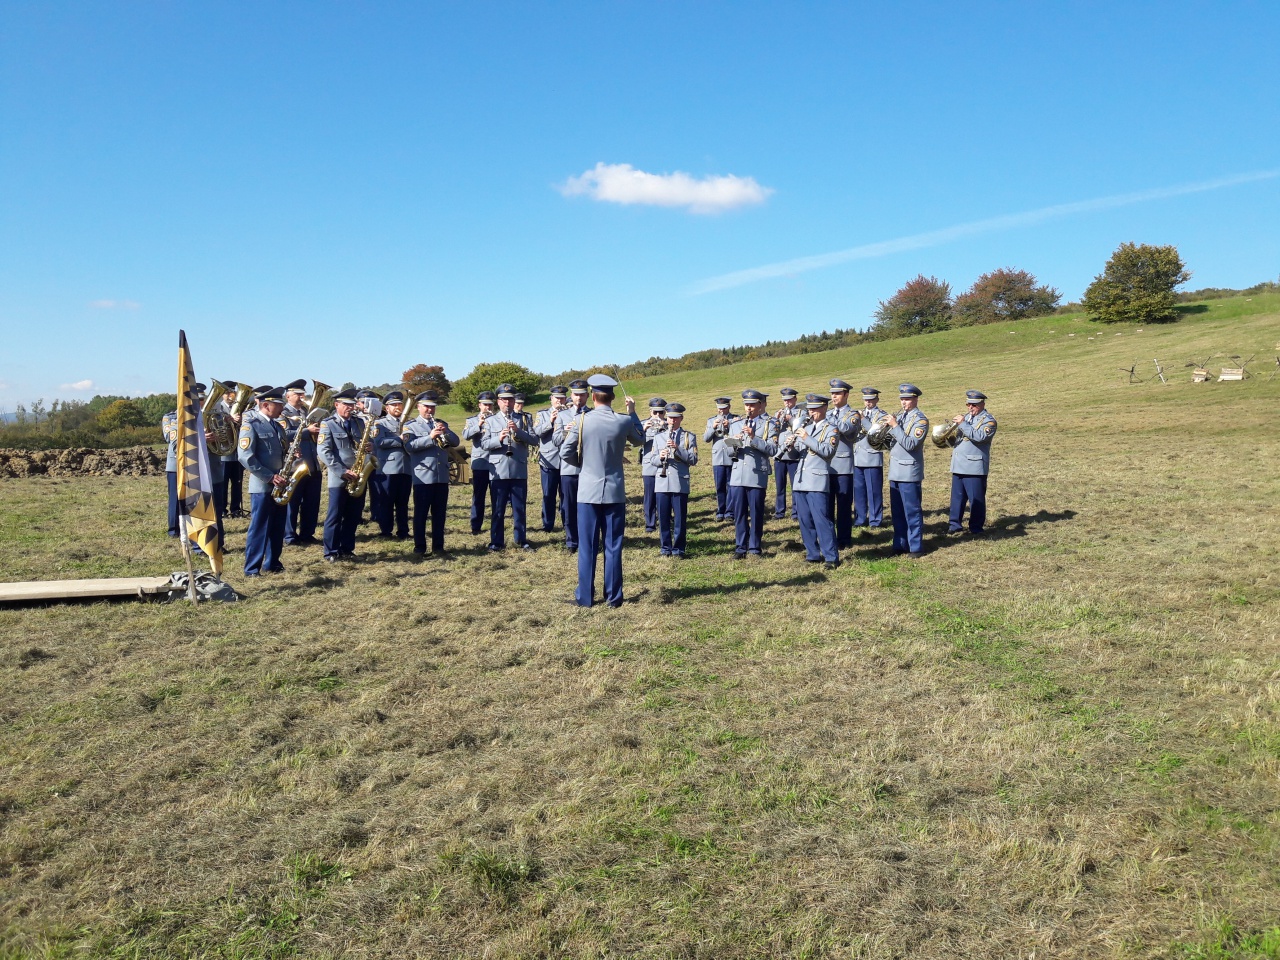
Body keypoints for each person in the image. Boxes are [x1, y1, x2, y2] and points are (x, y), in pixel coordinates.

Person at [562, 374, 643, 607]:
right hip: (614, 491)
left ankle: (585, 597)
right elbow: (640, 440)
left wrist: (584, 465)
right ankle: (613, 597)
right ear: (613, 397)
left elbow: (566, 453)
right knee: (613, 546)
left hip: (588, 491)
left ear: (593, 396)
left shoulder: (582, 420)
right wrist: (632, 412)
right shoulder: (623, 421)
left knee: (587, 546)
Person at [237, 385, 289, 577]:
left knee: (277, 526)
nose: (282, 407)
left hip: (280, 485)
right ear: (266, 405)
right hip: (262, 485)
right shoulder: (251, 425)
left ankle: (272, 563)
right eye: (279, 404)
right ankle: (252, 568)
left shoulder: (277, 426)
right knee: (260, 527)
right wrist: (269, 476)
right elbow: (245, 456)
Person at [481, 383, 538, 551]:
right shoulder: (490, 421)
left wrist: (518, 431)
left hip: (518, 469)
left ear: (514, 401)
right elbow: (484, 444)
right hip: (498, 472)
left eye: (510, 400)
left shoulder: (524, 419)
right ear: (498, 401)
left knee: (519, 508)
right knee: (498, 509)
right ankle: (496, 542)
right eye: (504, 400)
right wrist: (498, 438)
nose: (507, 403)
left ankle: (521, 540)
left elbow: (534, 440)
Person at [403, 391, 459, 555]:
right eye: (426, 407)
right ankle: (420, 547)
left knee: (439, 514)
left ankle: (438, 546)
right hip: (423, 477)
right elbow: (409, 447)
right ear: (419, 407)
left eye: (432, 407)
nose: (430, 410)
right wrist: (430, 437)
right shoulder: (410, 426)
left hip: (441, 475)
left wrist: (445, 431)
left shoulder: (441, 423)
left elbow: (455, 442)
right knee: (421, 514)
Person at [789, 393, 839, 569]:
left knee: (821, 520)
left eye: (815, 409)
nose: (811, 412)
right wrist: (790, 447)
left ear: (824, 408)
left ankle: (831, 557)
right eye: (809, 409)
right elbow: (796, 454)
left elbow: (827, 451)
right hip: (801, 480)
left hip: (817, 480)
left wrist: (806, 438)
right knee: (804, 519)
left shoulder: (831, 429)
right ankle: (812, 553)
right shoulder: (806, 428)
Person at [727, 389, 778, 558]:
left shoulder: (770, 424)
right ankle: (740, 547)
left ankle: (755, 547)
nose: (748, 408)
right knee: (739, 513)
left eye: (752, 405)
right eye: (746, 405)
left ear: (760, 405)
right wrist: (734, 443)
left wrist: (754, 437)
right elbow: (729, 453)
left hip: (756, 474)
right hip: (738, 475)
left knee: (756, 513)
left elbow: (773, 449)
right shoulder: (736, 424)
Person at [317, 387, 365, 562]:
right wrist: (342, 471)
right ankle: (330, 551)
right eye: (346, 405)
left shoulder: (359, 422)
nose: (350, 408)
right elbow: (324, 451)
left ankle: (347, 548)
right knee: (335, 515)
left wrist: (370, 447)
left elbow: (366, 442)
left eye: (352, 405)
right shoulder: (328, 424)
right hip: (339, 476)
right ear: (336, 405)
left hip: (358, 475)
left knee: (353, 515)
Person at [646, 402, 698, 557]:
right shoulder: (658, 437)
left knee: (680, 518)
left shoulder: (689, 437)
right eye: (670, 418)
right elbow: (652, 460)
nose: (672, 421)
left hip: (679, 482)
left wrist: (677, 449)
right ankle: (665, 547)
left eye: (675, 418)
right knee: (663, 517)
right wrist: (660, 457)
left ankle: (679, 548)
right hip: (662, 482)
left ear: (681, 418)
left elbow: (693, 459)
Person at [885, 383, 930, 556]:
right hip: (895, 470)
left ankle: (916, 546)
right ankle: (900, 544)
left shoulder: (920, 420)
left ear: (915, 399)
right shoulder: (901, 417)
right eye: (902, 399)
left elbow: (911, 444)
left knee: (912, 511)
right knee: (897, 512)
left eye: (907, 399)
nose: (903, 402)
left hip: (909, 472)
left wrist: (895, 426)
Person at [948, 390, 998, 536]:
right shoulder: (967, 418)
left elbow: (980, 436)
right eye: (968, 404)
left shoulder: (989, 421)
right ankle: (954, 525)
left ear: (982, 404)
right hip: (959, 464)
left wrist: (963, 424)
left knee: (976, 499)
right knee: (957, 498)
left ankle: (976, 527)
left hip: (974, 466)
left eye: (974, 405)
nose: (970, 407)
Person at [550, 379, 590, 552]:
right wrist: (566, 432)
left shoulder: (593, 415)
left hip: (589, 468)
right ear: (571, 396)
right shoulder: (562, 415)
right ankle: (572, 541)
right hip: (569, 468)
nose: (579, 398)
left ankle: (587, 539)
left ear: (587, 396)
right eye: (575, 395)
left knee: (588, 507)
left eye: (582, 395)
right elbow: (555, 440)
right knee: (569, 506)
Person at [282, 380, 321, 546]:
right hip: (295, 465)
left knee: (311, 502)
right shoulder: (283, 413)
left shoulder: (306, 412)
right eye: (298, 394)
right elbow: (284, 434)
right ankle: (289, 535)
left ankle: (307, 533)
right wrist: (307, 431)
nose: (301, 397)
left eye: (302, 394)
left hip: (311, 463)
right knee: (293, 501)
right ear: (288, 396)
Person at [371, 391, 411, 539]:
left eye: (399, 404)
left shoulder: (408, 423)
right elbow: (379, 442)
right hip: (387, 469)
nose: (397, 407)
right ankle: (386, 531)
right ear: (387, 408)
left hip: (406, 467)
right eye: (393, 405)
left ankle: (403, 531)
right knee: (386, 501)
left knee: (403, 503)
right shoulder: (380, 424)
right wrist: (399, 439)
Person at [826, 379, 860, 549]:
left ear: (846, 395)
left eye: (837, 394)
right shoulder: (828, 413)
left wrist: (828, 418)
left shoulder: (853, 414)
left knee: (844, 505)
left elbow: (847, 429)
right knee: (827, 505)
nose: (834, 397)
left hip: (843, 467)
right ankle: (829, 538)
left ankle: (844, 539)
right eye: (832, 394)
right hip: (826, 465)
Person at [534, 386, 569, 533]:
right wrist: (550, 421)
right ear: (551, 399)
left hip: (568, 460)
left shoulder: (569, 413)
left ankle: (567, 523)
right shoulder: (542, 414)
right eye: (557, 398)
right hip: (549, 460)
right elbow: (536, 432)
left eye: (562, 398)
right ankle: (548, 524)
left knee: (566, 495)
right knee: (548, 494)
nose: (559, 401)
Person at [462, 391, 496, 534]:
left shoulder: (497, 419)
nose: (488, 407)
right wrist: (479, 424)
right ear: (479, 405)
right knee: (478, 496)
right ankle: (476, 526)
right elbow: (465, 435)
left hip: (496, 462)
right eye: (485, 405)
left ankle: (496, 525)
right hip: (480, 463)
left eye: (490, 405)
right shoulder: (472, 420)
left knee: (497, 497)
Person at [853, 387, 887, 531]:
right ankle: (860, 518)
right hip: (858, 456)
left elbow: (876, 432)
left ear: (877, 400)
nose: (868, 402)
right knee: (859, 491)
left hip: (872, 457)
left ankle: (875, 520)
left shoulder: (882, 415)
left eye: (871, 400)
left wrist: (862, 419)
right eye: (866, 400)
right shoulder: (858, 413)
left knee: (874, 491)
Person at [772, 387, 806, 520]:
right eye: (785, 400)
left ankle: (796, 512)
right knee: (780, 485)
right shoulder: (778, 412)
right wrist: (777, 420)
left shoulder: (801, 413)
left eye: (789, 400)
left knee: (794, 485)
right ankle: (779, 511)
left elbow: (801, 428)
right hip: (780, 453)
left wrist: (791, 419)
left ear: (795, 399)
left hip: (793, 454)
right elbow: (773, 431)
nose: (787, 403)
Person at [704, 397, 738, 521]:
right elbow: (706, 439)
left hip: (732, 455)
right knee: (719, 486)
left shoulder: (736, 419)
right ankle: (720, 510)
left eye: (724, 408)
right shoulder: (711, 420)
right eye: (719, 409)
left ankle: (730, 511)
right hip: (718, 458)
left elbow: (738, 437)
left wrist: (730, 426)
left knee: (731, 485)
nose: (721, 411)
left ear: (729, 407)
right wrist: (713, 427)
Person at [220, 379, 247, 519]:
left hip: (237, 451)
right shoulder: (218, 408)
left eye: (232, 393)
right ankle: (222, 509)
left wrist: (241, 421)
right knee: (223, 483)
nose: (230, 396)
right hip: (224, 451)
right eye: (227, 393)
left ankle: (235, 509)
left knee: (237, 483)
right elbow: (213, 423)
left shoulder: (240, 408)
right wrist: (228, 419)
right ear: (222, 395)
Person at [639, 397, 668, 533]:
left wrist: (665, 427)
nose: (657, 415)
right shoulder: (642, 424)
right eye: (655, 412)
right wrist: (643, 430)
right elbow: (635, 443)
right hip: (649, 465)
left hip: (665, 464)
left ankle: (665, 519)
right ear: (650, 412)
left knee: (665, 494)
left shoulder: (669, 424)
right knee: (649, 496)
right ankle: (650, 523)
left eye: (660, 412)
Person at [162, 406, 181, 538]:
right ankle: (173, 529)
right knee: (175, 498)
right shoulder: (170, 417)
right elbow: (169, 437)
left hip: (194, 463)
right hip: (175, 464)